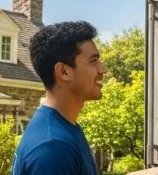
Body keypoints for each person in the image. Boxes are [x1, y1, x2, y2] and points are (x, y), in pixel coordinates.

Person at [12, 21, 103, 175]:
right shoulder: (53, 147)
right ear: (63, 71)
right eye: (93, 61)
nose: (103, 69)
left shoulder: (64, 129)